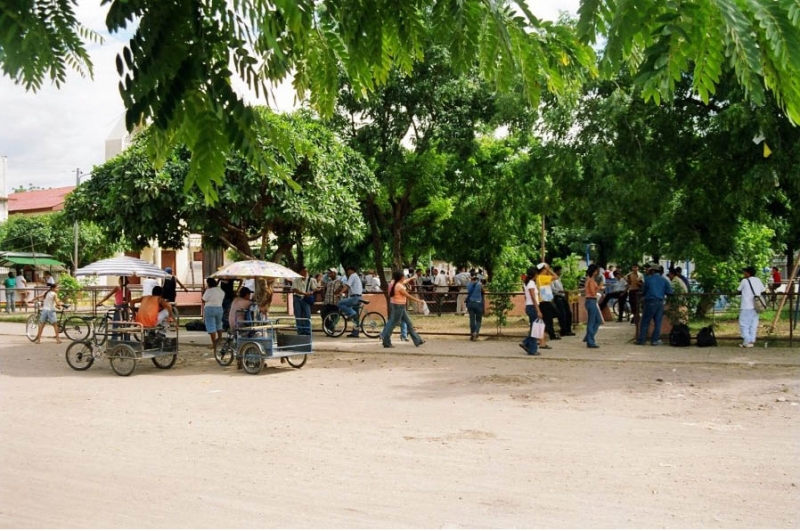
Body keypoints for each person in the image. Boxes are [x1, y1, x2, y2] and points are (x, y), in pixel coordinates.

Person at [380, 271, 426, 348]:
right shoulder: (399, 286)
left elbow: (404, 282)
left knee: (409, 323)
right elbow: (408, 295)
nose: (404, 278)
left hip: (399, 306)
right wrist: (419, 301)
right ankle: (386, 341)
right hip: (399, 306)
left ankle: (417, 340)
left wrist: (411, 278)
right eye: (403, 276)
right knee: (393, 324)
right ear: (400, 278)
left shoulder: (394, 283)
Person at [635, 264, 674, 346]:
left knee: (645, 321)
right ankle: (655, 340)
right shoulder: (664, 280)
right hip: (660, 303)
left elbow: (644, 291)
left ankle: (642, 340)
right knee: (658, 322)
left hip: (649, 302)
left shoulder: (648, 280)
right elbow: (670, 292)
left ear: (652, 271)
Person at [738, 266, 766, 348]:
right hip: (756, 306)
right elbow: (763, 290)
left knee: (744, 324)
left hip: (746, 305)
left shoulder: (744, 281)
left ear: (748, 273)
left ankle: (747, 340)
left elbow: (739, 289)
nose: (744, 274)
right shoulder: (758, 280)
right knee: (753, 324)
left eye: (745, 272)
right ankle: (751, 341)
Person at [336, 265, 364, 338]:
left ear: (351, 270)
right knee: (356, 318)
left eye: (348, 271)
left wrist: (340, 292)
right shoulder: (357, 277)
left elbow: (347, 286)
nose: (347, 272)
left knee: (340, 303)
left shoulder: (352, 276)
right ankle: (355, 333)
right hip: (359, 297)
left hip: (354, 298)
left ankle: (351, 313)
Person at [535, 263, 559, 345]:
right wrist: (549, 269)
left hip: (545, 301)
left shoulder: (539, 277)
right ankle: (542, 342)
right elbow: (556, 276)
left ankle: (541, 340)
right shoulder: (543, 277)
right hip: (545, 301)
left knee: (546, 321)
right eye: (546, 269)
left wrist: (547, 269)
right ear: (543, 269)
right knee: (546, 322)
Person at [519, 266, 541, 356]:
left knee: (534, 328)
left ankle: (527, 343)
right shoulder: (531, 283)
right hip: (532, 306)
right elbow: (533, 297)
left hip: (529, 306)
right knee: (535, 329)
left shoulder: (527, 283)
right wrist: (538, 310)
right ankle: (532, 349)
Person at [291, 266, 316, 335]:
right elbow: (295, 289)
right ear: (300, 272)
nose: (305, 273)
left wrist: (311, 292)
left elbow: (314, 288)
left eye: (306, 271)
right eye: (304, 271)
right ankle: (300, 331)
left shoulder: (310, 280)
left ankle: (307, 330)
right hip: (297, 298)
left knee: (307, 315)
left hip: (305, 299)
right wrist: (304, 293)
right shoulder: (295, 280)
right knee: (298, 315)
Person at [202, 277, 225, 351]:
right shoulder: (220, 290)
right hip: (219, 308)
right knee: (219, 324)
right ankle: (220, 339)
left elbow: (203, 300)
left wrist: (205, 290)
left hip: (210, 308)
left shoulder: (209, 290)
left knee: (211, 326)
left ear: (208, 283)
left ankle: (214, 344)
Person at [551, 266, 574, 336]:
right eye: (560, 271)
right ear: (556, 271)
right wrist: (561, 291)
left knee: (568, 313)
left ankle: (568, 329)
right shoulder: (552, 279)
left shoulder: (559, 279)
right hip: (557, 297)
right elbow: (553, 289)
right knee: (562, 314)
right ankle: (563, 330)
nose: (561, 272)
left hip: (563, 296)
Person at [583, 264, 601, 348]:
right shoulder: (590, 280)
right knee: (592, 321)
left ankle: (589, 336)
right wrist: (599, 287)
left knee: (598, 320)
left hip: (592, 301)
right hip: (591, 300)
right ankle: (590, 340)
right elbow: (593, 292)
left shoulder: (591, 280)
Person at [466, 273, 485, 341]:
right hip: (478, 303)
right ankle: (476, 332)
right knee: (478, 320)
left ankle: (472, 334)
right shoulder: (480, 284)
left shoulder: (468, 284)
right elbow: (483, 291)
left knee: (472, 320)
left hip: (470, 303)